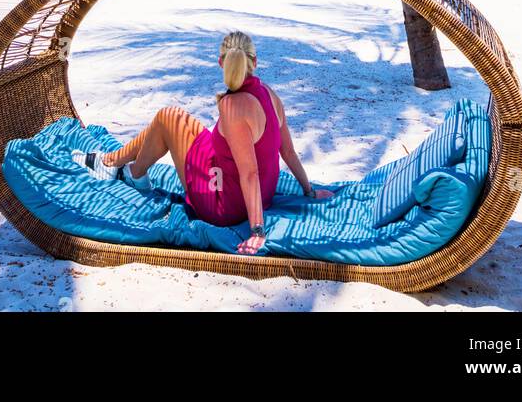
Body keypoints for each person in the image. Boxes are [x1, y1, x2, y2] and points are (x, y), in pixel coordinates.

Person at [74, 30, 332, 255]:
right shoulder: (270, 95)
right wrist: (308, 190)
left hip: (224, 206)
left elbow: (250, 172)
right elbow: (287, 150)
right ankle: (126, 168)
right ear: (255, 61)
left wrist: (257, 230)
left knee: (168, 117)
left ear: (221, 62)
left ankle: (122, 167)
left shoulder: (233, 107)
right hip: (259, 195)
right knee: (179, 122)